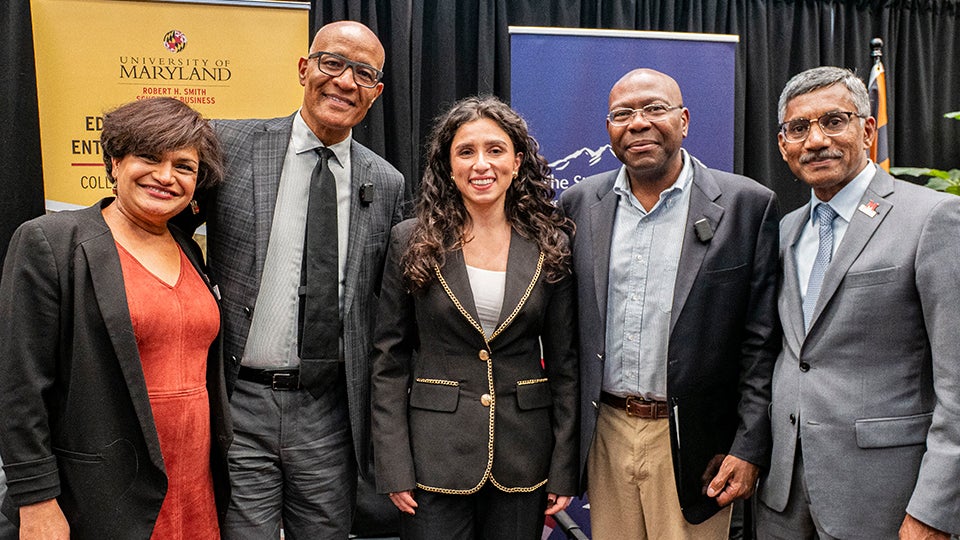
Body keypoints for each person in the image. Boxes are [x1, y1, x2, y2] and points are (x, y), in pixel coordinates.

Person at [175, 21, 406, 539]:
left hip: (329, 411)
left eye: (363, 73)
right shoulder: (227, 143)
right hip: (239, 402)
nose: (345, 81)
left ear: (376, 92)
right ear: (304, 68)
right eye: (332, 63)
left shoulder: (386, 182)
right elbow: (167, 230)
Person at [559, 68, 780, 539]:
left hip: (695, 443)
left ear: (684, 120)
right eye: (622, 114)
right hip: (607, 432)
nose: (637, 123)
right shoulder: (579, 204)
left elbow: (761, 344)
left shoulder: (747, 206)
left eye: (654, 109)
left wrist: (749, 444)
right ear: (608, 130)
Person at [0, 97, 231, 539]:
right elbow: (19, 388)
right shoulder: (51, 243)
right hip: (101, 497)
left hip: (194, 487)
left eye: (183, 166)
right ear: (114, 161)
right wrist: (37, 502)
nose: (165, 177)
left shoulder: (190, 249)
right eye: (149, 157)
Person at [756, 66, 960, 540]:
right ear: (783, 144)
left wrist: (934, 509)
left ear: (867, 130)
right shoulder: (786, 231)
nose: (815, 140)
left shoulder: (932, 219)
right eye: (798, 128)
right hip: (783, 496)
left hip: (884, 498)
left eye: (833, 121)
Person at [371, 96, 579, 539]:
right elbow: (388, 361)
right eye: (466, 152)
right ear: (448, 166)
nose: (481, 164)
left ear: (518, 161)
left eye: (495, 150)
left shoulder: (551, 245)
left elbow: (566, 366)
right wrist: (393, 463)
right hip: (432, 458)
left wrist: (563, 467)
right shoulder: (411, 241)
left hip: (524, 455)